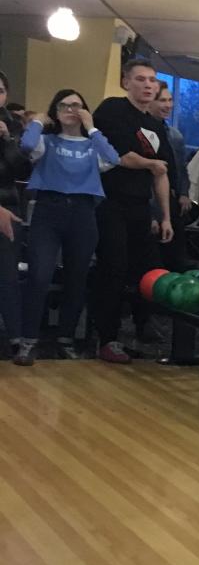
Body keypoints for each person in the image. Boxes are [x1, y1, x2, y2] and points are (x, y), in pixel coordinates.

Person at [11, 90, 120, 365]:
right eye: (64, 105)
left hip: (83, 213)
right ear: (55, 110)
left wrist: (92, 127)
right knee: (39, 275)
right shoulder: (46, 142)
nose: (71, 110)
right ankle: (28, 340)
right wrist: (38, 120)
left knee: (77, 278)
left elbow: (113, 158)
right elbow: (26, 146)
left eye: (77, 105)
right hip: (48, 211)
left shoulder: (92, 146)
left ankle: (66, 339)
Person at [92, 59, 174, 364]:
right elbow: (120, 156)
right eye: (141, 79)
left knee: (148, 268)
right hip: (110, 201)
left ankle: (143, 325)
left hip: (141, 206)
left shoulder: (156, 126)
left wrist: (165, 216)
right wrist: (150, 164)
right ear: (126, 82)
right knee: (113, 267)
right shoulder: (113, 109)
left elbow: (161, 173)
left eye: (152, 80)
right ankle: (107, 337)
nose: (148, 85)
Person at [148, 83, 194, 270]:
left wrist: (184, 193)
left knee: (176, 258)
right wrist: (151, 214)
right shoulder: (143, 134)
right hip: (150, 201)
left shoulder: (175, 136)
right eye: (162, 100)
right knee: (153, 259)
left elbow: (181, 168)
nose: (168, 105)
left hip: (172, 200)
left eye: (170, 100)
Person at [0, 69, 31, 352]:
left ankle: (14, 336)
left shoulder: (14, 126)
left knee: (7, 272)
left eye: (0, 91)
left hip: (8, 204)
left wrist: (7, 139)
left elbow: (23, 170)